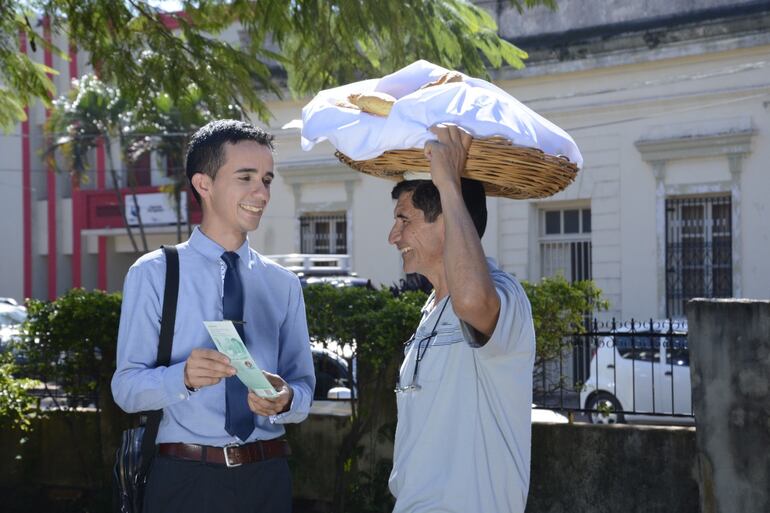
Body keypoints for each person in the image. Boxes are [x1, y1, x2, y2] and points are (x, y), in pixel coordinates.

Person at [112, 119, 315, 513]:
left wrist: (286, 398)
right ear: (203, 184)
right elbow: (126, 389)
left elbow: (304, 386)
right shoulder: (153, 273)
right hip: (186, 479)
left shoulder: (284, 284)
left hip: (268, 476)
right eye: (246, 177)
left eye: (267, 179)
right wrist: (181, 377)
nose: (262, 192)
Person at [387, 124, 536, 513]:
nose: (393, 235)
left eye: (405, 220)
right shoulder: (429, 311)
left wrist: (449, 183)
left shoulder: (504, 296)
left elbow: (471, 300)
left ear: (447, 222)